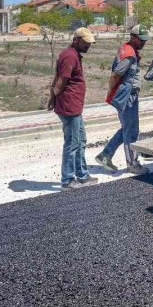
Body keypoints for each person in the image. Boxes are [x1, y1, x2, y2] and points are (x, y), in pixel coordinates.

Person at [95, 25, 151, 174]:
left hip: (124, 96)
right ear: (133, 37)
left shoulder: (126, 48)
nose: (143, 43)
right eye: (141, 40)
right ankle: (132, 163)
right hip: (127, 97)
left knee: (126, 128)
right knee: (132, 131)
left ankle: (105, 155)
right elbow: (115, 75)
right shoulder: (129, 55)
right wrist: (112, 92)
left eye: (145, 40)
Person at [48, 27, 96, 190]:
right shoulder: (69, 56)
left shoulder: (73, 55)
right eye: (85, 43)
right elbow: (61, 80)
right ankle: (67, 180)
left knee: (81, 140)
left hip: (74, 106)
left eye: (90, 43)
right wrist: (53, 97)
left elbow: (58, 77)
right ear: (76, 40)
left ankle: (82, 175)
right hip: (69, 106)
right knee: (72, 143)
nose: (88, 46)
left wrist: (52, 97)